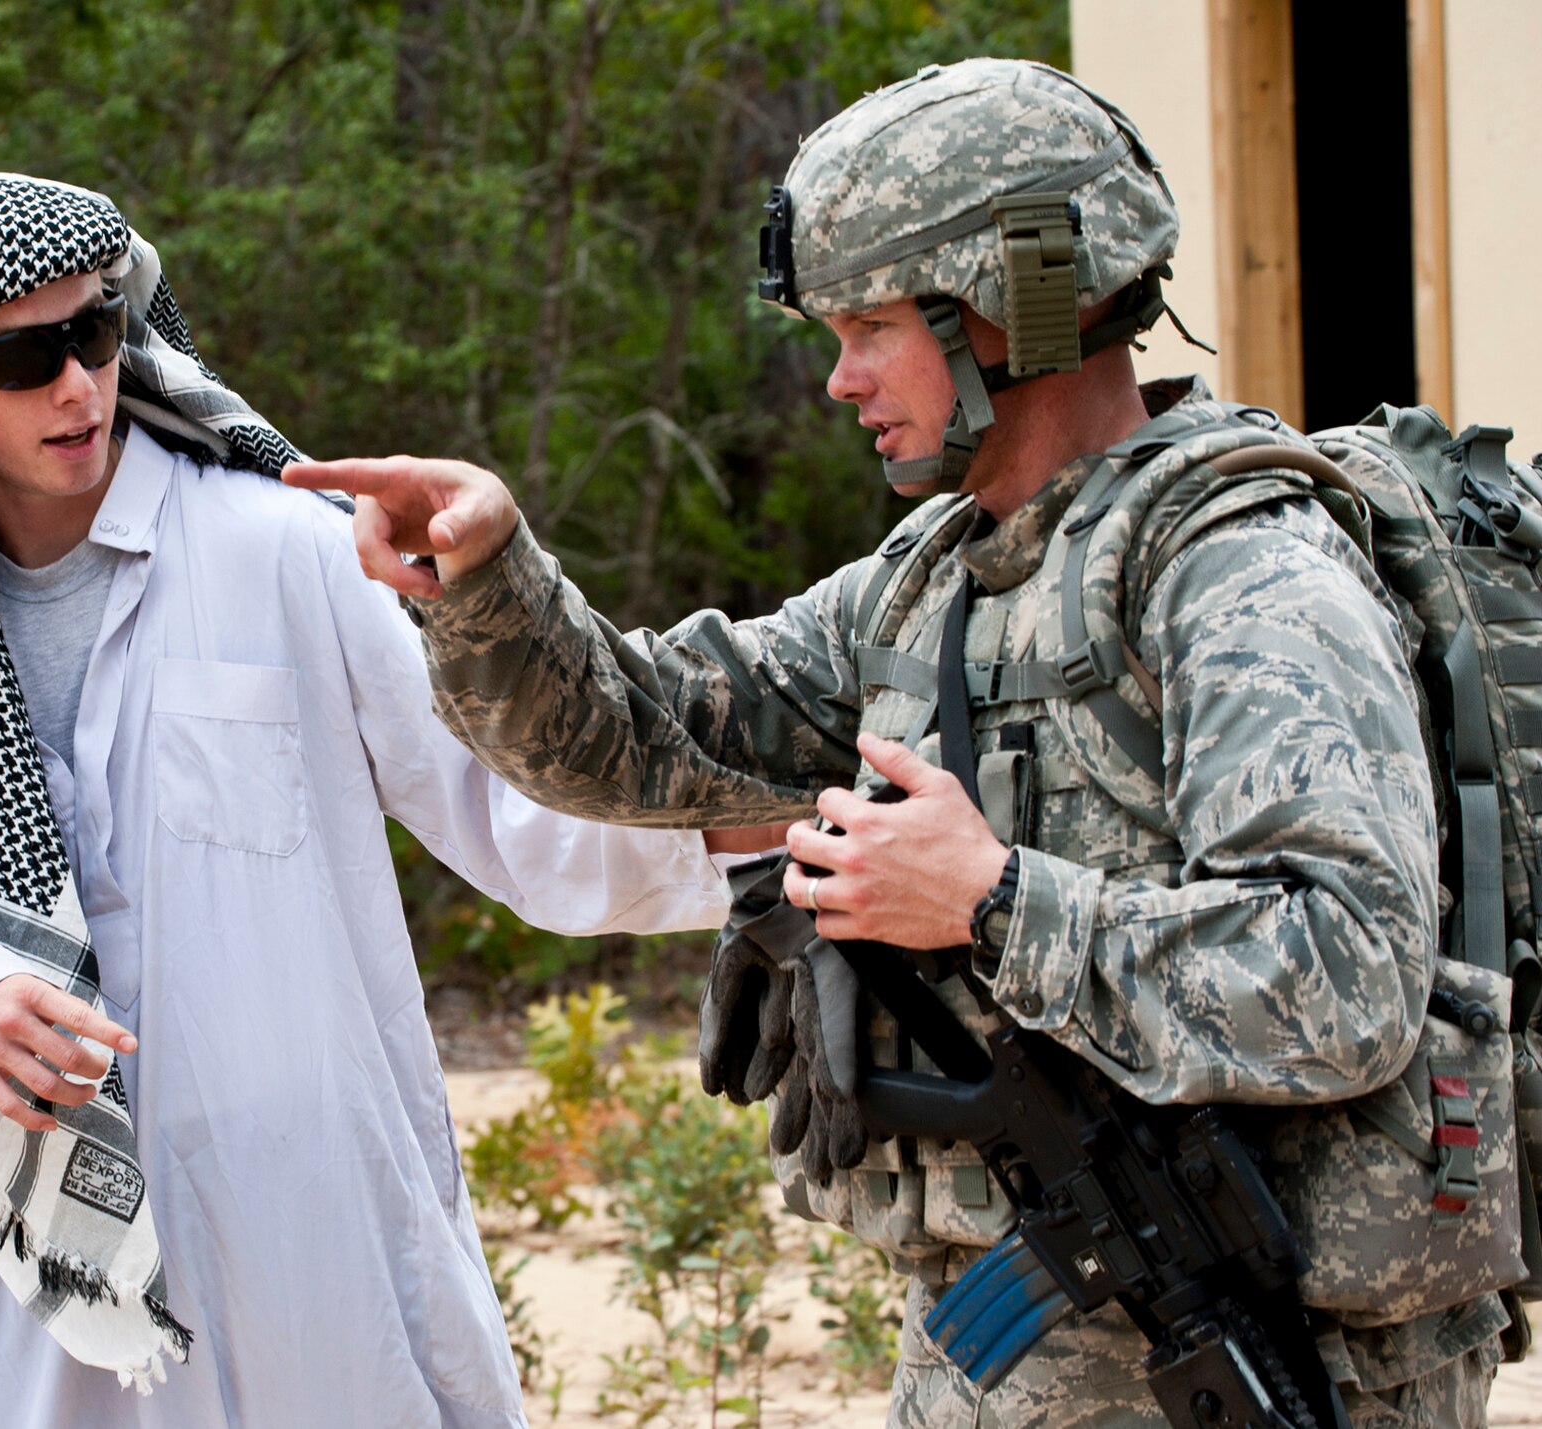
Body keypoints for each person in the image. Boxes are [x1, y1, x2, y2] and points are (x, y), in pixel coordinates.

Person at [286, 58, 1506, 1428]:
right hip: (1010, 1357)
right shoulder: (932, 581)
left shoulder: (1242, 573)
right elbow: (638, 742)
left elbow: (1346, 976)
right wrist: (495, 580)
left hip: (1247, 1359)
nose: (838, 378)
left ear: (1014, 304)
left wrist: (989, 900)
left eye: (869, 324)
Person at [0, 172, 769, 1428]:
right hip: (12, 1251)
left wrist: (791, 825)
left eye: (93, 333)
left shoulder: (283, 546)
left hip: (303, 1237)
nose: (77, 386)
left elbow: (520, 802)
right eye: (22, 358)